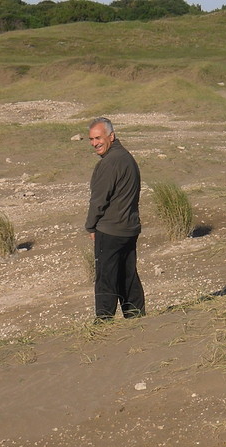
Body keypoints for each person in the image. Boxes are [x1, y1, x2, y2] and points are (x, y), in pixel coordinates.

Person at [85, 117, 145, 321]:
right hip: (129, 228)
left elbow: (98, 200)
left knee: (106, 277)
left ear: (111, 136)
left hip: (111, 230)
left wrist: (91, 227)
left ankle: (103, 321)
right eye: (91, 139)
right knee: (127, 275)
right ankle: (136, 316)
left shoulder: (110, 162)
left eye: (98, 138)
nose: (95, 143)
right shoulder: (126, 157)